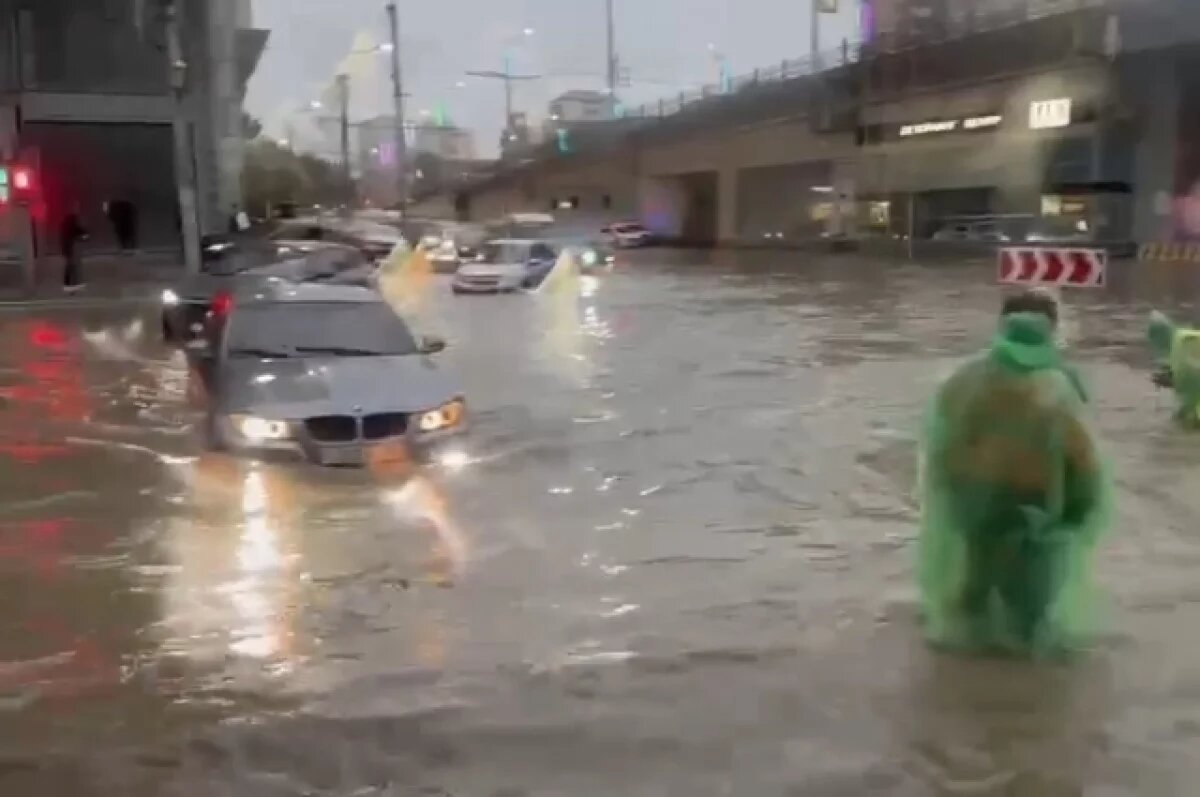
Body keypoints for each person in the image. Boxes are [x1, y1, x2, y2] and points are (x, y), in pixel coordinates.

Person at [916, 289, 1112, 655]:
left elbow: (941, 445)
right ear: (1051, 331)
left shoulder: (964, 380)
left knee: (975, 582)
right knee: (1030, 601)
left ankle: (961, 672)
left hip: (971, 500)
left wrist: (951, 491)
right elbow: (1082, 459)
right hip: (1034, 504)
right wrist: (1081, 509)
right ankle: (1023, 686)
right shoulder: (1058, 386)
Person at [60, 203, 88, 292]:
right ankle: (68, 284)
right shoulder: (72, 219)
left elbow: (73, 230)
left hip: (67, 245)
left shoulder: (67, 219)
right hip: (70, 245)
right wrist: (84, 234)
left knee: (71, 264)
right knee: (71, 264)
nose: (77, 210)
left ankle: (71, 284)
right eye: (76, 208)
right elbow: (75, 230)